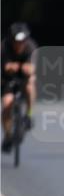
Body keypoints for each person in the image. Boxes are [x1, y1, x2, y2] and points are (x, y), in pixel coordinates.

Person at [1, 22, 37, 152]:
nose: (19, 44)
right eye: (17, 41)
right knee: (7, 104)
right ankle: (8, 135)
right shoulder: (3, 48)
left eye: (22, 41)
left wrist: (27, 68)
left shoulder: (30, 47)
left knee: (30, 84)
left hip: (23, 77)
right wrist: (8, 68)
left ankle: (29, 114)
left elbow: (32, 68)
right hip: (7, 79)